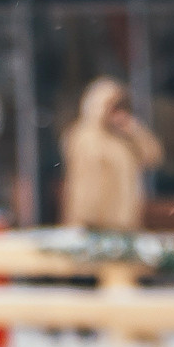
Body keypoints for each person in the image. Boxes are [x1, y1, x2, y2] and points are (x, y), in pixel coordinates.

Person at [59, 76, 162, 234]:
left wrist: (135, 131)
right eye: (112, 107)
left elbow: (153, 157)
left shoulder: (125, 138)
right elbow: (84, 180)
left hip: (125, 222)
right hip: (92, 224)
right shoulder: (84, 136)